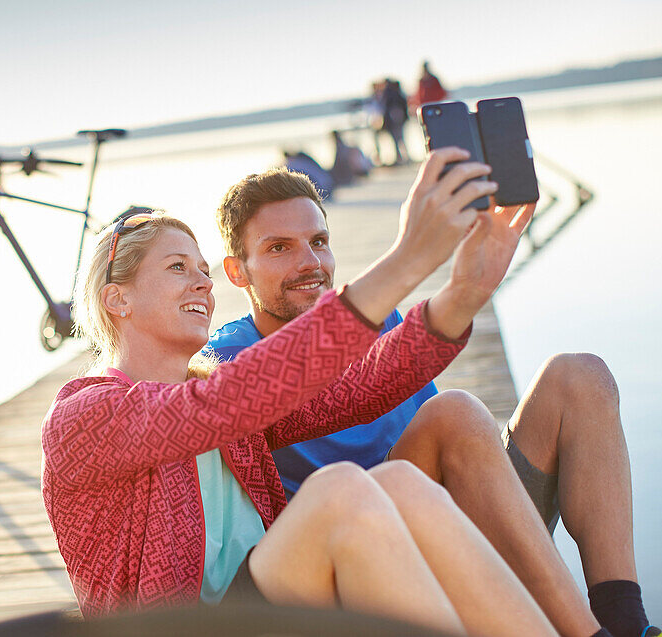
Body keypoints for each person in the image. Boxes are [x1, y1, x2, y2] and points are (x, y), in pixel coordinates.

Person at [41, 150, 561, 635]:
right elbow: (223, 404)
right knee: (339, 491)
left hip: (271, 608)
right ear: (117, 299)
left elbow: (359, 390)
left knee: (398, 480)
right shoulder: (85, 416)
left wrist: (465, 292)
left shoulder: (216, 401)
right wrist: (406, 259)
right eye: (177, 267)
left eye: (203, 270)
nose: (202, 282)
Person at [208, 167, 662, 637]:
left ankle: (626, 623)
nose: (310, 262)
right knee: (456, 412)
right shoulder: (226, 363)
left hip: (465, 520)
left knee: (580, 376)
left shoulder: (376, 319)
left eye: (318, 241)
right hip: (375, 558)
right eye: (279, 248)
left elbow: (443, 436)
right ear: (236, 270)